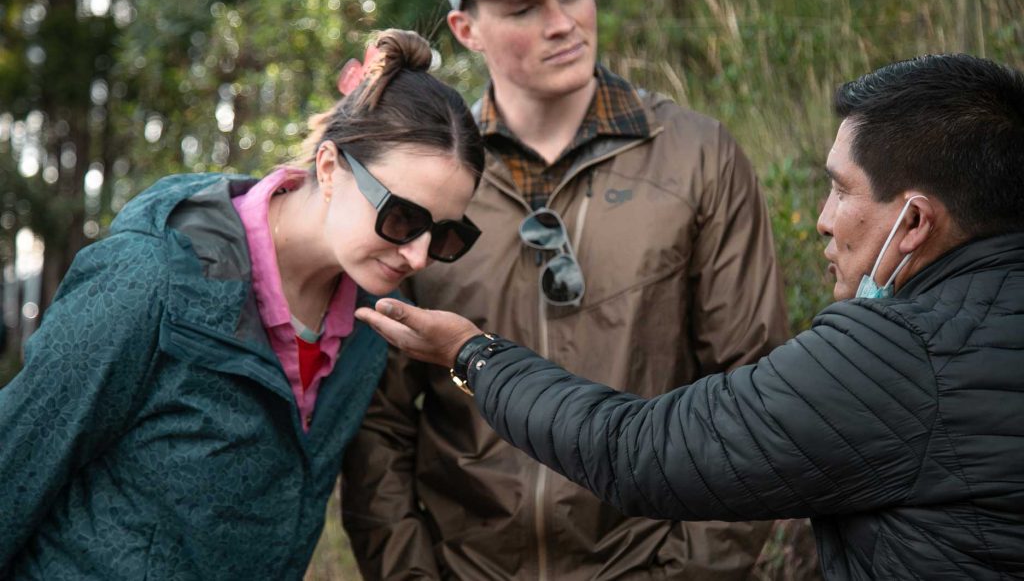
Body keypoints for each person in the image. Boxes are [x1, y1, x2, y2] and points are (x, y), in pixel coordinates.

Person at [355, 52, 1024, 580]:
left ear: (913, 220)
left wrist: (474, 355)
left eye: (841, 189)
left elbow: (637, 451)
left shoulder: (894, 357)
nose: (821, 219)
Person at [340, 0, 791, 578]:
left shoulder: (699, 158)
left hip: (650, 564)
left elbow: (749, 393)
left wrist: (698, 570)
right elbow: (381, 426)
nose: (563, 24)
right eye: (524, 8)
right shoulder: (426, 187)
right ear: (466, 28)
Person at [0, 29, 486, 579]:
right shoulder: (148, 281)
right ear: (329, 167)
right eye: (403, 218)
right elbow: (15, 466)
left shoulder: (368, 328)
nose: (419, 256)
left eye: (447, 236)